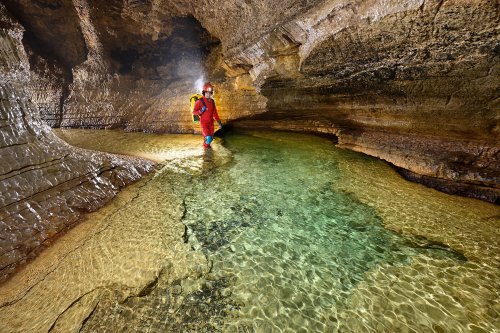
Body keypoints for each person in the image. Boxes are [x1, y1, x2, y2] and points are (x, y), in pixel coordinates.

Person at [192, 82, 223, 149]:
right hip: (204, 123)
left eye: (210, 93)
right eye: (207, 92)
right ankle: (206, 153)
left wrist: (219, 122)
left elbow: (215, 113)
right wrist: (200, 111)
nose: (208, 94)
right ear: (204, 92)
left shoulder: (212, 101)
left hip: (211, 123)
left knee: (210, 139)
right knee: (208, 138)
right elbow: (194, 112)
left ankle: (207, 149)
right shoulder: (199, 101)